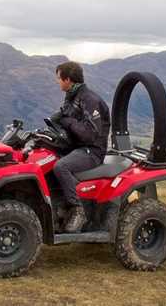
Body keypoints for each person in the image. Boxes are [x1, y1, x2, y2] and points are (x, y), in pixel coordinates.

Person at [49, 61, 111, 233]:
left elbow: (89, 134)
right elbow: (63, 117)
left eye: (59, 78)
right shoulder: (72, 96)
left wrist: (67, 122)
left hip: (92, 151)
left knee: (61, 166)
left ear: (68, 79)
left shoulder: (89, 100)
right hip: (75, 146)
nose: (57, 82)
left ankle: (78, 210)